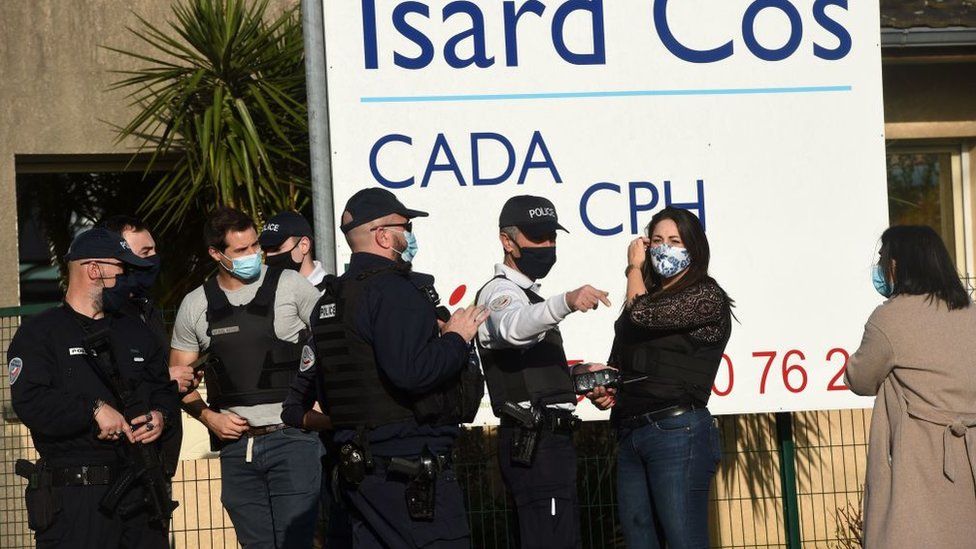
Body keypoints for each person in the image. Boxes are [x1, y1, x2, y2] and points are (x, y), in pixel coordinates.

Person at [309, 187, 487, 548]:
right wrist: (456, 337)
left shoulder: (332, 299)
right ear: (384, 235)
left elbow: (330, 389)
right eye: (406, 227)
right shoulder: (394, 291)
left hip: (360, 470)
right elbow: (412, 373)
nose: (410, 235)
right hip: (408, 467)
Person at [8, 228, 178, 548]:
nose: (128, 278)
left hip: (141, 492)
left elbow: (162, 387)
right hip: (76, 499)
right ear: (94, 269)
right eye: (122, 269)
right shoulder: (40, 334)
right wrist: (93, 409)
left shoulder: (135, 330)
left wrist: (160, 416)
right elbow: (31, 401)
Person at [168, 207, 323, 548]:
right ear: (215, 253)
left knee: (296, 541)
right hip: (237, 449)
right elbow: (177, 380)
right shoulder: (196, 305)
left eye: (255, 246)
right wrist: (208, 417)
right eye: (241, 251)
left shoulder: (290, 285)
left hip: (293, 439)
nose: (253, 255)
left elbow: (334, 342)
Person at [590, 207, 732, 549]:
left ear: (694, 247)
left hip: (677, 431)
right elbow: (621, 354)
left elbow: (640, 315)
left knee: (685, 541)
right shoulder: (646, 296)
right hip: (631, 432)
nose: (663, 249)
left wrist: (633, 267)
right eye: (656, 240)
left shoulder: (705, 295)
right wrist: (607, 387)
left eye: (674, 240)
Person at [474, 195, 610, 549]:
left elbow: (531, 370)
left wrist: (579, 376)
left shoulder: (529, 296)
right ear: (508, 241)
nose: (548, 246)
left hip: (550, 444)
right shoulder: (500, 293)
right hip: (533, 443)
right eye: (538, 237)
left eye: (552, 237)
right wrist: (566, 302)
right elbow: (513, 329)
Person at [845, 225, 976, 549]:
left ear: (896, 265)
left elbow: (860, 379)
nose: (878, 267)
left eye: (882, 259)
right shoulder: (970, 313)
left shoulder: (889, 318)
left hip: (917, 456)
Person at [97, 215, 182, 480]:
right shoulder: (100, 315)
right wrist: (167, 378)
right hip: (120, 462)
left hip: (157, 459)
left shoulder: (146, 308)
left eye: (154, 250)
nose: (154, 258)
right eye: (145, 252)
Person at [260, 210, 328, 290]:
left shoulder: (330, 294)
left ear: (304, 245)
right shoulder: (266, 291)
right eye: (265, 251)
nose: (268, 256)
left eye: (276, 249)